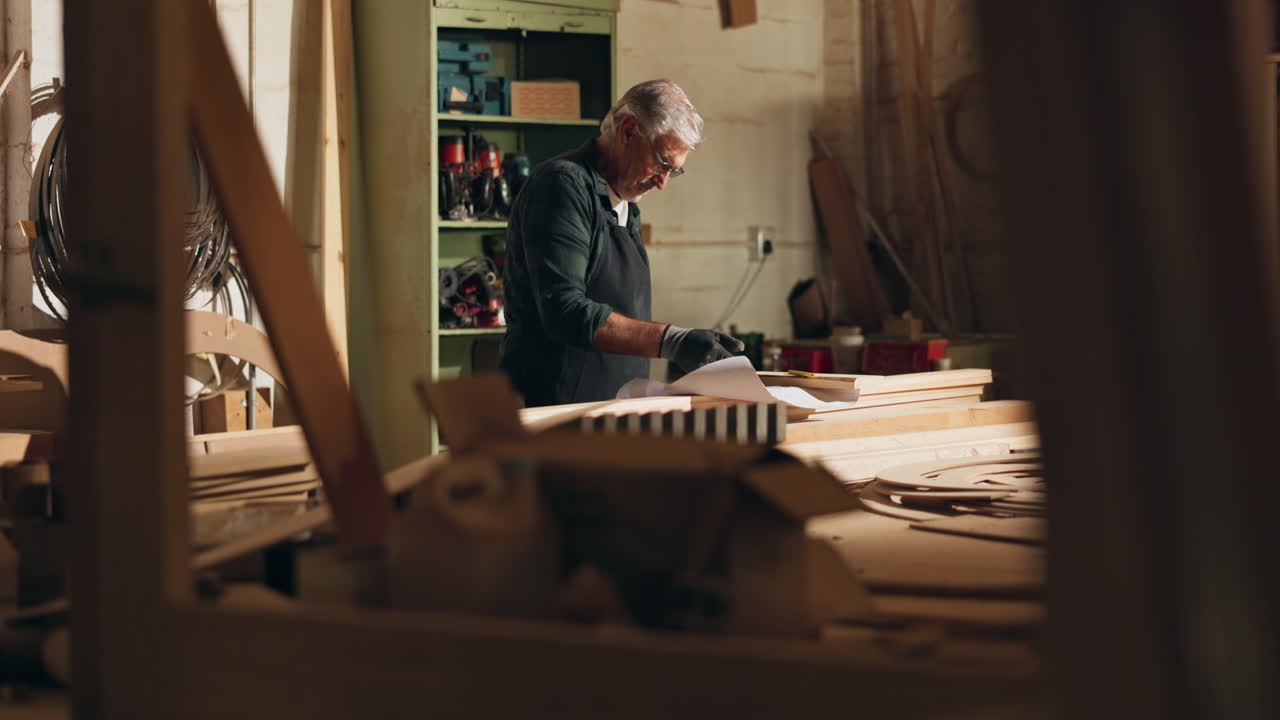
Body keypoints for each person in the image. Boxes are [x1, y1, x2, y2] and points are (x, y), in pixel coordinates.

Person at [498, 79, 743, 407]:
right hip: (554, 412)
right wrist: (673, 340)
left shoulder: (625, 203)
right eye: (662, 163)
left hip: (610, 413)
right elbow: (564, 311)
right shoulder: (562, 186)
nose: (662, 182)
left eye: (674, 171)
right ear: (628, 130)